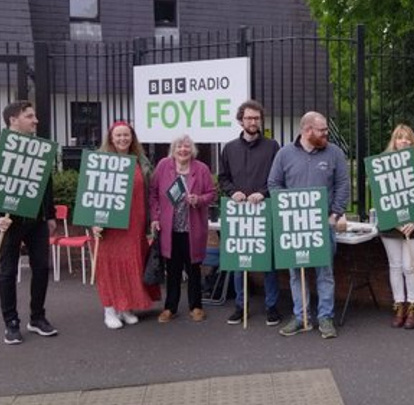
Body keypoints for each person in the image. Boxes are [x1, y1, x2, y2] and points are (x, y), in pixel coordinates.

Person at [268, 111, 350, 339]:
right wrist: (288, 209)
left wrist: (334, 215)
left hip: (323, 225)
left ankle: (325, 317)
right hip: (295, 227)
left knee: (325, 273)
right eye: (322, 130)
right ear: (307, 131)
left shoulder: (334, 153)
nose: (326, 133)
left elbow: (343, 184)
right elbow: (274, 183)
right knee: (297, 273)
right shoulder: (284, 154)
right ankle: (301, 316)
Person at [218, 100, 282, 326]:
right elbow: (223, 178)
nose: (253, 122)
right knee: (239, 261)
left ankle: (271, 306)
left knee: (269, 263)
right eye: (248, 118)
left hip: (264, 210)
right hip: (239, 213)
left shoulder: (273, 147)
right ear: (240, 120)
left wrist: (262, 193)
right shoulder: (229, 148)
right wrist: (232, 192)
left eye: (256, 118)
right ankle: (240, 305)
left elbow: (278, 179)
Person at [92, 121, 160, 329]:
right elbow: (92, 192)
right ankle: (110, 308)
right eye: (118, 135)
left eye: (126, 135)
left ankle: (125, 306)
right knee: (111, 265)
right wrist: (95, 221)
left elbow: (151, 191)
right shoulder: (102, 161)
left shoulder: (141, 161)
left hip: (135, 223)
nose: (123, 139)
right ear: (111, 138)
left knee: (132, 263)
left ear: (132, 138)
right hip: (111, 224)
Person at [0, 101, 58, 345]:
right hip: (9, 221)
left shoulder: (39, 148)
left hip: (37, 220)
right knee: (7, 272)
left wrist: (51, 214)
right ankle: (11, 322)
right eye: (29, 116)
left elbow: (46, 182)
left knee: (42, 268)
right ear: (13, 120)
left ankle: (37, 318)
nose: (36, 120)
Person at [150, 135, 216, 323]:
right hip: (170, 229)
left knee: (194, 268)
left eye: (187, 146)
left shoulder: (201, 168)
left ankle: (196, 306)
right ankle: (170, 307)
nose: (183, 150)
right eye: (179, 146)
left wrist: (199, 199)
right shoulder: (164, 165)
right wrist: (154, 217)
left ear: (192, 149)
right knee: (172, 270)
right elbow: (153, 193)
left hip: (192, 228)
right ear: (173, 148)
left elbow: (212, 193)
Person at [379, 124, 414, 330]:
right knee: (395, 266)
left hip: (413, 224)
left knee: (409, 266)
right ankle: (399, 305)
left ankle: (413, 306)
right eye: (400, 138)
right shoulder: (383, 163)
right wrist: (395, 220)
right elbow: (382, 194)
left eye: (408, 139)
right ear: (394, 141)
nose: (404, 142)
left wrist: (412, 220)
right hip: (391, 224)